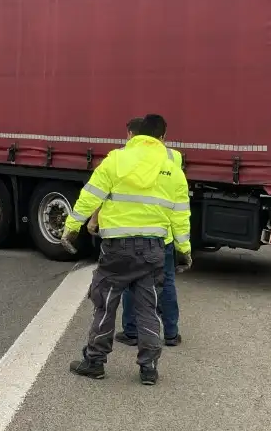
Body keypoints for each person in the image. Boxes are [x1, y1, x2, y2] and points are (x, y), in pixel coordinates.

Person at [62, 113, 193, 385]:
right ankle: (149, 368)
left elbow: (90, 196)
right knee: (148, 308)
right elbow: (181, 214)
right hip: (154, 249)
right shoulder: (173, 169)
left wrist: (71, 227)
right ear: (161, 138)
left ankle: (94, 362)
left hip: (117, 250)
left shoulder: (117, 160)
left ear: (133, 135)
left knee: (106, 304)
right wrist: (184, 249)